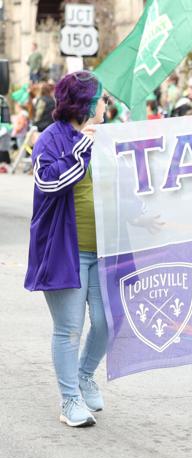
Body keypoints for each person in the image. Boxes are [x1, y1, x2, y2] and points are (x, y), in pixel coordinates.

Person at [24, 70, 108, 427]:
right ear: (86, 103)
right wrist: (81, 148)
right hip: (64, 251)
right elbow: (49, 182)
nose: (107, 104)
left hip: (104, 250)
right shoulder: (50, 139)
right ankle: (69, 401)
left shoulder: (107, 138)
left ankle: (84, 375)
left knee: (106, 323)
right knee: (69, 328)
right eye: (102, 98)